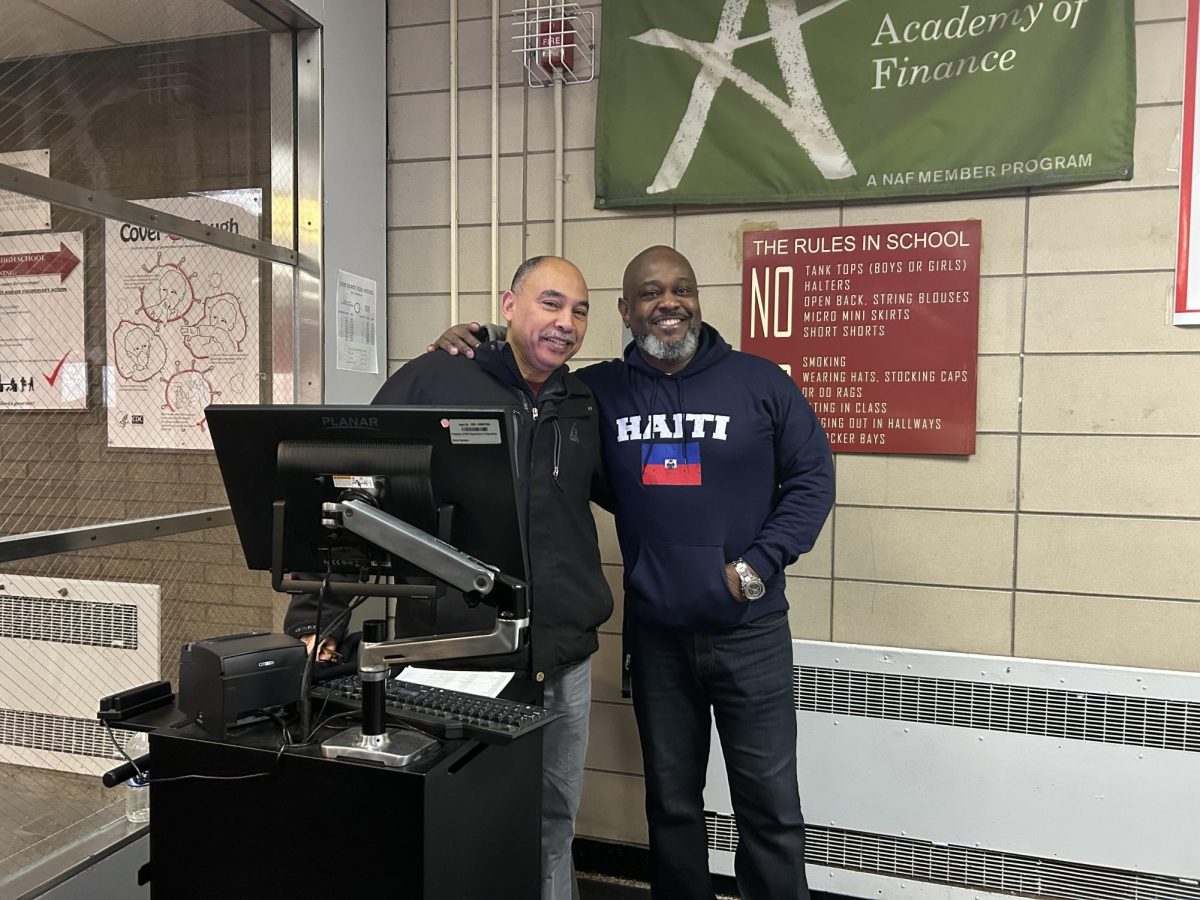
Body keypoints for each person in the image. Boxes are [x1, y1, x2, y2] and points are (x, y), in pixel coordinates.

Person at [431, 245, 835, 900]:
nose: (668, 302)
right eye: (650, 292)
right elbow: (528, 394)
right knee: (672, 806)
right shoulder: (598, 393)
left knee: (770, 807)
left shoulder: (762, 384)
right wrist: (466, 351)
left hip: (750, 632)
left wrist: (757, 566)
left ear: (698, 298)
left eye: (682, 288)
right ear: (625, 310)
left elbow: (813, 479)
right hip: (658, 639)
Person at [285, 255, 613, 900]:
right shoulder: (433, 380)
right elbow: (350, 496)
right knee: (461, 824)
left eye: (579, 311)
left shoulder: (581, 402)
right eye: (550, 303)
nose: (565, 323)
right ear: (508, 305)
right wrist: (315, 621)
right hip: (460, 654)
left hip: (560, 654)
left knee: (552, 824)